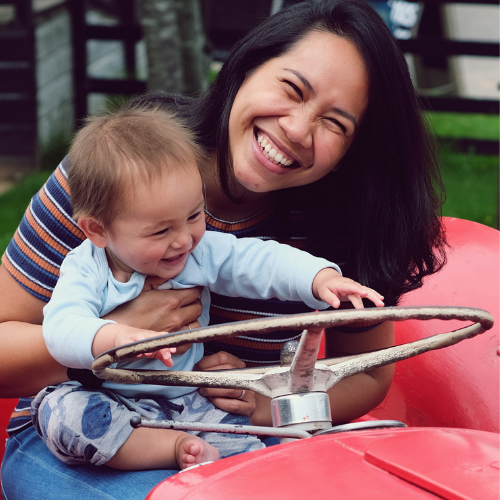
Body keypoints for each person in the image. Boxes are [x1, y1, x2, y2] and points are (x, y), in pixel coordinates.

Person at [0, 0, 446, 498]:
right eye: (291, 89)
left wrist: (263, 398)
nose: (297, 129)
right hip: (81, 434)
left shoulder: (346, 218)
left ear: (352, 151)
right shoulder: (123, 172)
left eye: (335, 124)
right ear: (244, 67)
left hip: (215, 433)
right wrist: (127, 335)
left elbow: (365, 375)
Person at [31, 105, 383, 471]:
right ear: (98, 231)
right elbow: (60, 328)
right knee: (65, 416)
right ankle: (170, 448)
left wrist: (320, 278)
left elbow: (258, 261)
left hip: (188, 398)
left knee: (255, 452)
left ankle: (205, 455)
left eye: (194, 215)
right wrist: (116, 338)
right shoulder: (86, 268)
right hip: (104, 396)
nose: (184, 239)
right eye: (161, 230)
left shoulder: (198, 252)